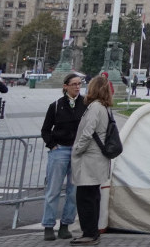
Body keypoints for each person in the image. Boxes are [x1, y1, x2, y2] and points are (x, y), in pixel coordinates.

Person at [40, 74, 87, 241]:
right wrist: (52, 144)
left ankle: (66, 224)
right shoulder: (56, 105)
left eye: (79, 84)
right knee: (53, 189)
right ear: (65, 86)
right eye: (73, 84)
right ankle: (48, 225)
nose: (77, 87)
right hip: (60, 149)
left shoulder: (85, 104)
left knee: (73, 191)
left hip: (77, 150)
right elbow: (45, 129)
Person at [71, 74, 116, 246]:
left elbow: (87, 133)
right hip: (97, 159)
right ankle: (92, 232)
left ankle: (89, 233)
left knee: (85, 198)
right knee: (93, 196)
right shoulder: (105, 108)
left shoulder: (95, 108)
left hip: (89, 159)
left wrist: (76, 150)